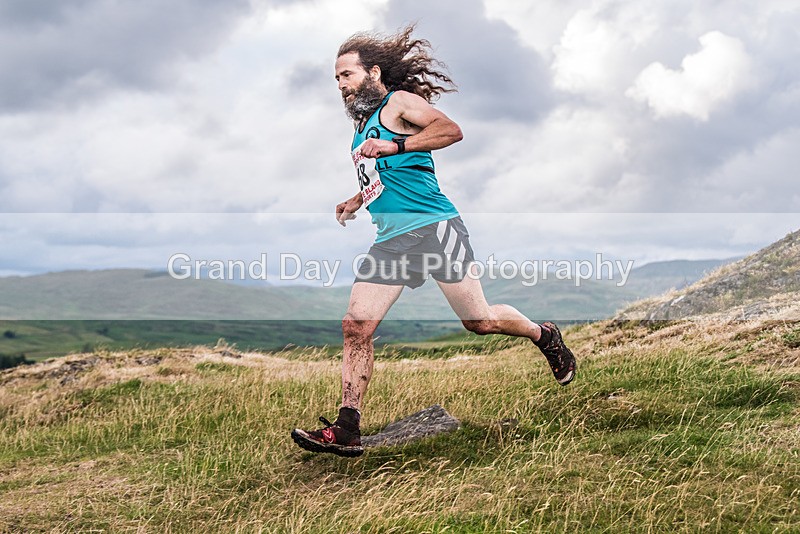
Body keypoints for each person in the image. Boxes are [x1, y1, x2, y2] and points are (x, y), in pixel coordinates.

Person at [291, 26, 576, 457]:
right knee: (356, 325)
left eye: (346, 75)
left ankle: (543, 335)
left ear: (373, 72)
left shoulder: (399, 104)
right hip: (391, 240)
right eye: (336, 79)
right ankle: (347, 427)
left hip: (435, 228)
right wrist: (356, 199)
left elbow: (450, 130)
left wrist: (396, 144)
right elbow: (386, 176)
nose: (341, 85)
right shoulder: (361, 125)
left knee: (479, 321)